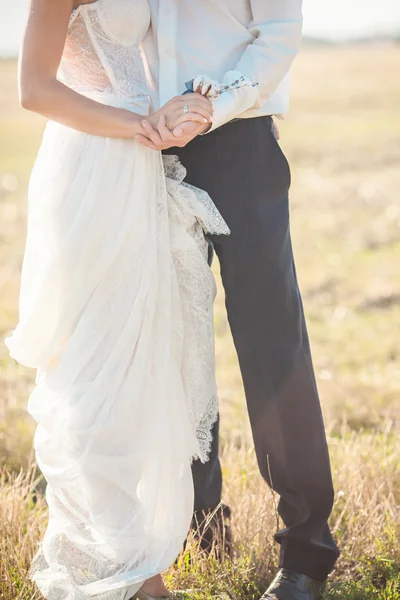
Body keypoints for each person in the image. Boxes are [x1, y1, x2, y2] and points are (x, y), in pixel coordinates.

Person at [5, 1, 231, 599]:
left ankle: (138, 557)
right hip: (95, 164)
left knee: (141, 359)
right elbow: (34, 89)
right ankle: (128, 572)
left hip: (142, 163)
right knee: (94, 366)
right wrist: (139, 126)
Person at [136, 2, 341, 599]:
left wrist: (213, 106)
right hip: (142, 153)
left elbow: (279, 32)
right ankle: (197, 530)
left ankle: (306, 548)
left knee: (271, 341)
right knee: (173, 348)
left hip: (238, 140)